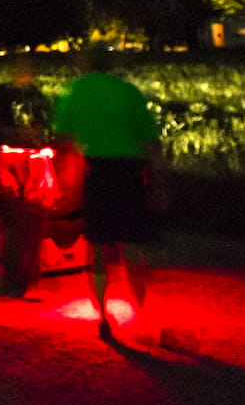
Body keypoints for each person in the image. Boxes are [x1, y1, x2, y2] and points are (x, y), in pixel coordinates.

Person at [50, 44, 163, 343]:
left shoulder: (75, 91)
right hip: (129, 171)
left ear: (85, 63)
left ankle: (102, 315)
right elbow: (152, 140)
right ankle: (144, 313)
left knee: (97, 244)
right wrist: (157, 181)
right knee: (134, 244)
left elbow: (62, 135)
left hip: (96, 172)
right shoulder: (129, 91)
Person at [0, 62, 52, 297]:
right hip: (10, 162)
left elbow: (46, 126)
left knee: (30, 221)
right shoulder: (9, 95)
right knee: (15, 222)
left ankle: (25, 278)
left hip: (31, 163)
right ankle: (15, 279)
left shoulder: (35, 96)